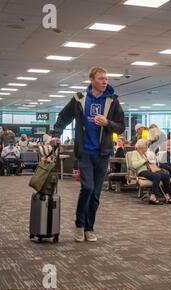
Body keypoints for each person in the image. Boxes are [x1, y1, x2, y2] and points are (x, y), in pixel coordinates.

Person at [50, 66, 125, 243]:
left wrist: (107, 123)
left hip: (103, 153)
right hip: (84, 152)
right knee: (88, 188)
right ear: (91, 80)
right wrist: (55, 134)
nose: (105, 81)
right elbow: (63, 117)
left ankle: (90, 228)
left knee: (96, 193)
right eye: (100, 78)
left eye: (106, 78)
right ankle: (79, 225)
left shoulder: (112, 101)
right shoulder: (80, 99)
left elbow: (120, 126)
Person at [131, 139, 171, 205]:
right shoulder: (135, 153)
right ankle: (152, 197)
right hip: (141, 171)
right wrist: (144, 160)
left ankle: (167, 195)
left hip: (150, 170)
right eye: (146, 146)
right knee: (157, 176)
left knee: (165, 175)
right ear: (141, 147)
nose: (147, 148)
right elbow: (134, 165)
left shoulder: (144, 153)